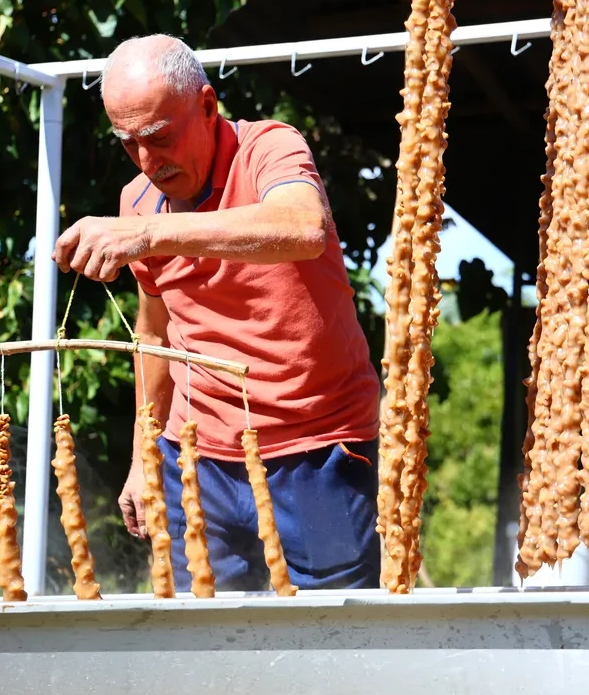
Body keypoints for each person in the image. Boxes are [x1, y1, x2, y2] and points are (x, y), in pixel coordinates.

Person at [51, 34, 383, 591]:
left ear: (207, 106)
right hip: (194, 462)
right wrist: (142, 457)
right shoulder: (138, 201)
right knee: (203, 649)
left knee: (333, 643)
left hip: (316, 452)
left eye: (159, 137)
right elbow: (155, 336)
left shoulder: (269, 149)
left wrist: (147, 234)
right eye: (128, 144)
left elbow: (302, 227)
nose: (147, 162)